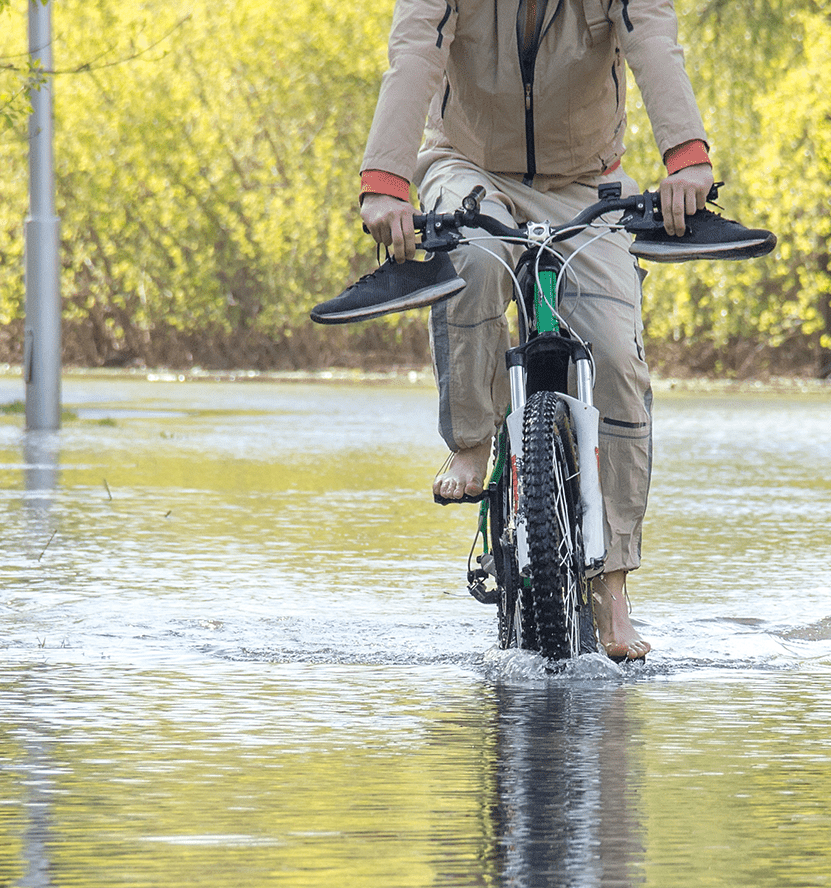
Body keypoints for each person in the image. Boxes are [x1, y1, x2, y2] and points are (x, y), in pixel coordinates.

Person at [319, 0, 769, 661]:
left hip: (589, 181)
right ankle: (472, 440)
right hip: (467, 165)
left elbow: (654, 44)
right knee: (469, 262)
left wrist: (687, 157)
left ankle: (612, 586)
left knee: (617, 355)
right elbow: (414, 53)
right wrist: (385, 183)